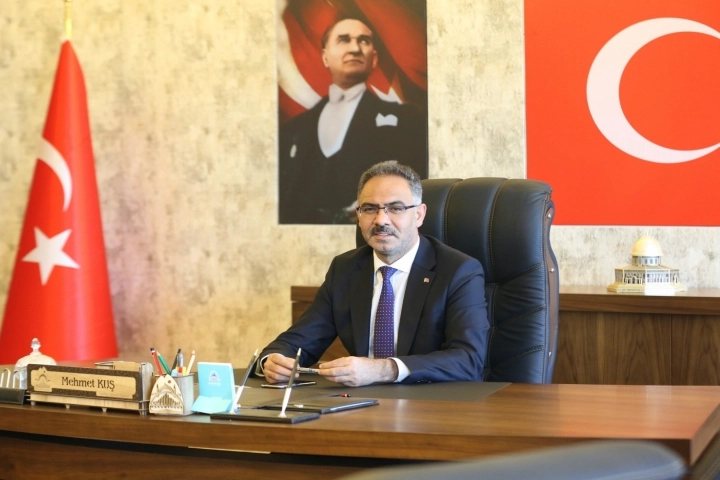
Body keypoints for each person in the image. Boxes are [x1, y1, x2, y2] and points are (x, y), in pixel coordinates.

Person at [260, 161, 489, 386]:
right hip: (361, 402)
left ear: (419, 215)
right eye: (370, 209)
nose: (380, 220)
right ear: (359, 215)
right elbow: (298, 341)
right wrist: (273, 360)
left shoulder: (458, 271)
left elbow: (468, 359)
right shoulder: (345, 269)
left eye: (396, 208)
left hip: (433, 402)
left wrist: (384, 369)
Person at [279, 17, 428, 224]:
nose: (355, 49)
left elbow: (416, 187)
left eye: (364, 41)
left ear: (374, 59)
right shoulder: (295, 130)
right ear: (325, 57)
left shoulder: (406, 121)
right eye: (343, 40)